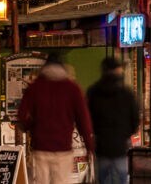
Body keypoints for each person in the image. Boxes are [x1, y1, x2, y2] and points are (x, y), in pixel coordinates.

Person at [17, 53, 96, 184]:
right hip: (63, 149)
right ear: (63, 68)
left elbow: (21, 116)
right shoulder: (73, 89)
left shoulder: (35, 87)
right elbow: (84, 121)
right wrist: (89, 147)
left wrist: (32, 127)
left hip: (41, 148)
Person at [86, 56, 141, 184]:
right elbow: (135, 119)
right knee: (122, 179)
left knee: (103, 179)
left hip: (102, 147)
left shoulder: (93, 92)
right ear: (118, 70)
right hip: (120, 147)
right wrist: (125, 134)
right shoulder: (127, 93)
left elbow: (88, 118)